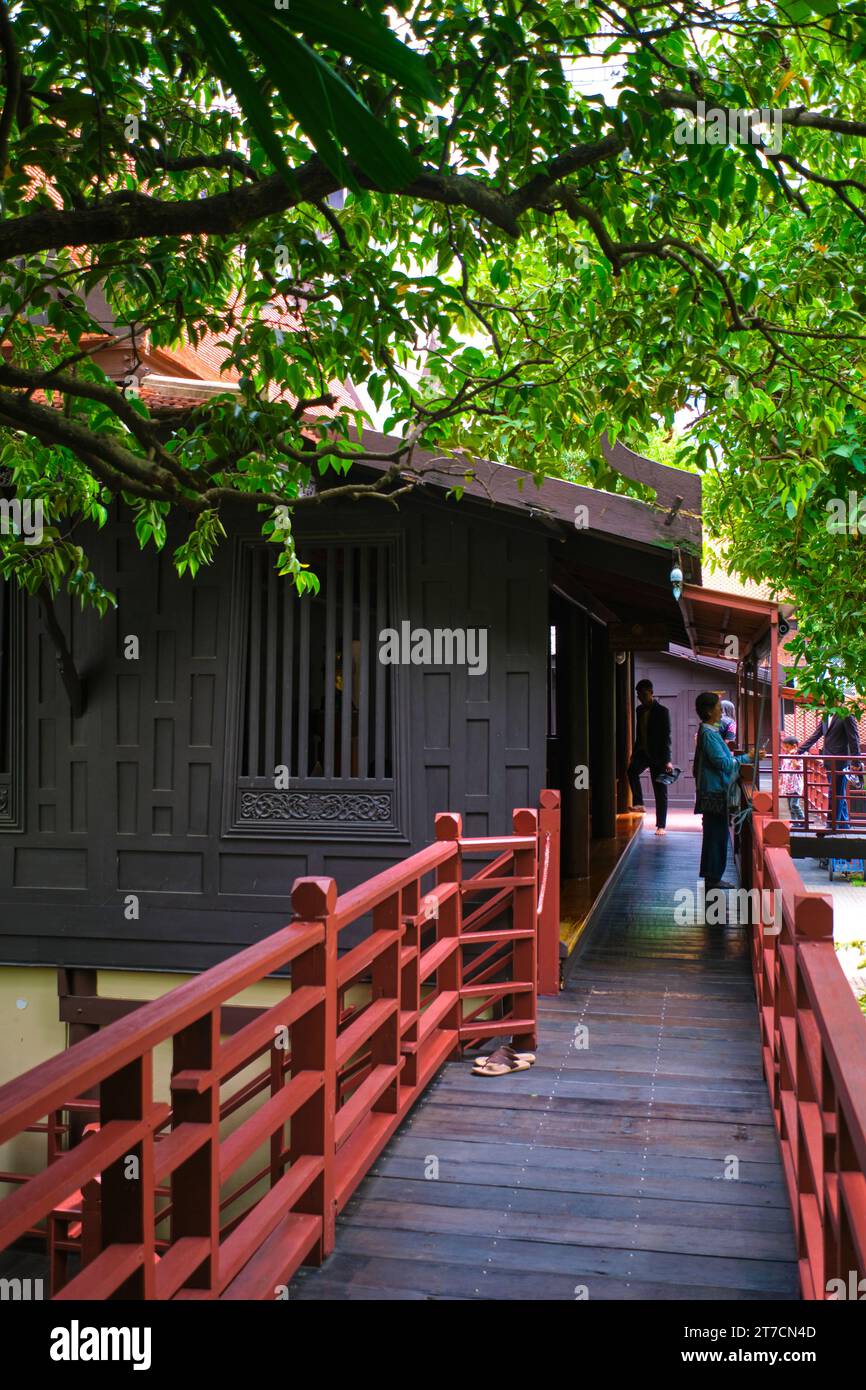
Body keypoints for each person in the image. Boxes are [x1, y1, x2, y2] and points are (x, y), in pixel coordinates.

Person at [693, 691, 756, 890]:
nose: (721, 712)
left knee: (715, 835)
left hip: (712, 790)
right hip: (714, 792)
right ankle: (713, 877)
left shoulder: (709, 731)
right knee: (716, 836)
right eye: (719, 708)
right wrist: (747, 757)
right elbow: (722, 763)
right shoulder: (709, 735)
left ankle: (712, 875)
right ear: (709, 711)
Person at [796, 710, 861, 828]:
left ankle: (832, 825)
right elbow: (816, 735)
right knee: (838, 793)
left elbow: (854, 739)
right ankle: (844, 825)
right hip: (828, 762)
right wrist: (799, 751)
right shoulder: (826, 715)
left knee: (835, 793)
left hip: (840, 762)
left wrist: (856, 760)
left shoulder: (846, 715)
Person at [627, 678, 673, 837]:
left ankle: (661, 826)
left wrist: (667, 759)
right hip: (642, 752)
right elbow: (639, 734)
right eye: (639, 695)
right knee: (631, 771)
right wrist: (634, 753)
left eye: (644, 694)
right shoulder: (639, 710)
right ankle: (639, 803)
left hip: (659, 755)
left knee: (660, 790)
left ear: (651, 693)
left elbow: (666, 736)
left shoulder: (662, 711)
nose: (641, 698)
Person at [779, 735, 804, 822]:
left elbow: (796, 766)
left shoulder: (799, 755)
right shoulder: (786, 756)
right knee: (790, 806)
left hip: (796, 785)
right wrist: (780, 783)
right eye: (784, 747)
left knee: (794, 804)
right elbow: (783, 769)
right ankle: (795, 822)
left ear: (794, 746)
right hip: (788, 785)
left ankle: (803, 820)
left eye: (787, 747)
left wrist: (793, 755)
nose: (785, 749)